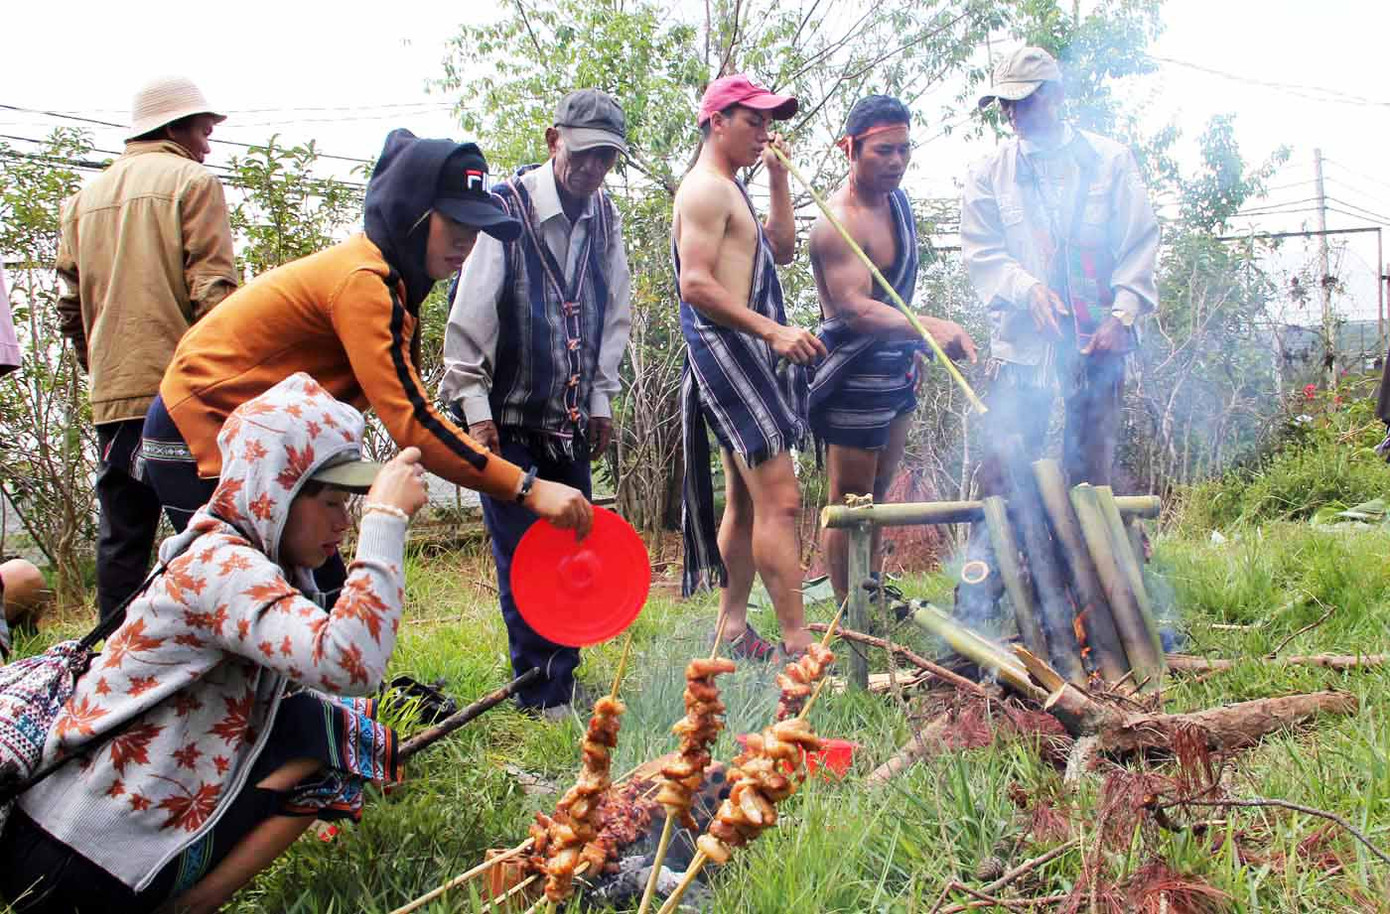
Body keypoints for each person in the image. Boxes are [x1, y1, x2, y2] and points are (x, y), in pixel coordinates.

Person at [0, 373, 427, 914]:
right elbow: (352, 664)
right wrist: (385, 521)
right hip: (77, 860)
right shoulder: (222, 567)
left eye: (352, 506)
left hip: (82, 854)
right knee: (331, 731)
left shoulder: (227, 553)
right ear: (274, 492)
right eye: (331, 502)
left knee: (334, 724)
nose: (345, 522)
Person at [142, 128, 593, 605]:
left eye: (477, 226)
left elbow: (410, 411)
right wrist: (526, 488)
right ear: (412, 213)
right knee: (252, 601)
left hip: (265, 443)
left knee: (320, 600)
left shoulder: (395, 285)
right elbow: (412, 422)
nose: (467, 240)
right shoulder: (364, 283)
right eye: (455, 221)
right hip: (201, 430)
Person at [440, 89, 632, 715]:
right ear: (554, 141)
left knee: (572, 545)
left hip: (568, 419)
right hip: (507, 421)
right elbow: (470, 314)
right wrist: (475, 410)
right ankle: (538, 688)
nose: (593, 168)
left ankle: (562, 677)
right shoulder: (504, 209)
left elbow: (614, 311)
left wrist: (600, 397)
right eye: (584, 153)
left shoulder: (605, 217)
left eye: (606, 158)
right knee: (524, 552)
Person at [956, 46, 1158, 620]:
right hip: (1023, 349)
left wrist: (1123, 315)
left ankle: (1094, 602)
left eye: (1022, 101)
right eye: (1005, 104)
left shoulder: (1109, 161)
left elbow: (1139, 242)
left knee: (1090, 470)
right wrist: (1026, 289)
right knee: (1003, 465)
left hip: (1098, 345)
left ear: (1055, 96)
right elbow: (983, 254)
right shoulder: (989, 173)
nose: (1012, 114)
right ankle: (980, 601)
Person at [55, 76, 238, 620]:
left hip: (114, 398)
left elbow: (69, 309)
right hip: (185, 397)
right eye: (204, 132)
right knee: (214, 533)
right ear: (175, 128)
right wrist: (234, 385)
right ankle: (231, 657)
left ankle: (111, 662)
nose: (207, 146)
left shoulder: (81, 202)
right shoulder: (193, 182)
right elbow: (215, 295)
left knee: (122, 539)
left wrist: (102, 369)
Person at [673, 74, 826, 659]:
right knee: (780, 500)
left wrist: (778, 180)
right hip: (728, 352)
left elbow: (781, 250)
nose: (764, 132)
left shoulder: (732, 188)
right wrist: (773, 331)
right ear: (717, 122)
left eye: (769, 122)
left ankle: (732, 629)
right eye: (753, 120)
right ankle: (799, 643)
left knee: (744, 500)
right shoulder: (705, 190)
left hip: (745, 352)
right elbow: (695, 285)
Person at [807, 95, 977, 605]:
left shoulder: (898, 203)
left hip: (895, 366)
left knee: (879, 494)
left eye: (904, 149)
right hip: (853, 376)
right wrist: (928, 328)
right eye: (884, 151)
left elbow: (892, 298)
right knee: (851, 501)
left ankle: (871, 590)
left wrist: (912, 344)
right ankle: (848, 609)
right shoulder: (837, 222)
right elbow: (855, 310)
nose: (897, 161)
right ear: (850, 148)